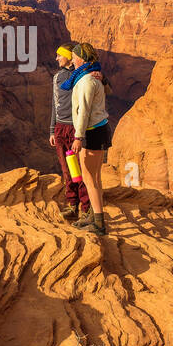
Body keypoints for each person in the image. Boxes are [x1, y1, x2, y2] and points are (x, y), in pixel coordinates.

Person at [66, 41, 112, 236]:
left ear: (82, 59)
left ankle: (99, 223)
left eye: (74, 56)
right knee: (95, 177)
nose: (72, 59)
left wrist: (78, 137)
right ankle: (94, 216)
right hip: (99, 130)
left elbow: (83, 111)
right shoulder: (91, 76)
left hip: (92, 131)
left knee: (88, 178)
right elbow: (106, 92)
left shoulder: (85, 81)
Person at [49, 44, 90, 222]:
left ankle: (87, 209)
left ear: (68, 57)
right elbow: (54, 103)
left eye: (60, 55)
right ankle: (72, 206)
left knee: (79, 170)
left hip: (75, 128)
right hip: (59, 129)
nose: (56, 58)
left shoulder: (80, 75)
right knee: (67, 170)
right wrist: (52, 129)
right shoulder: (57, 77)